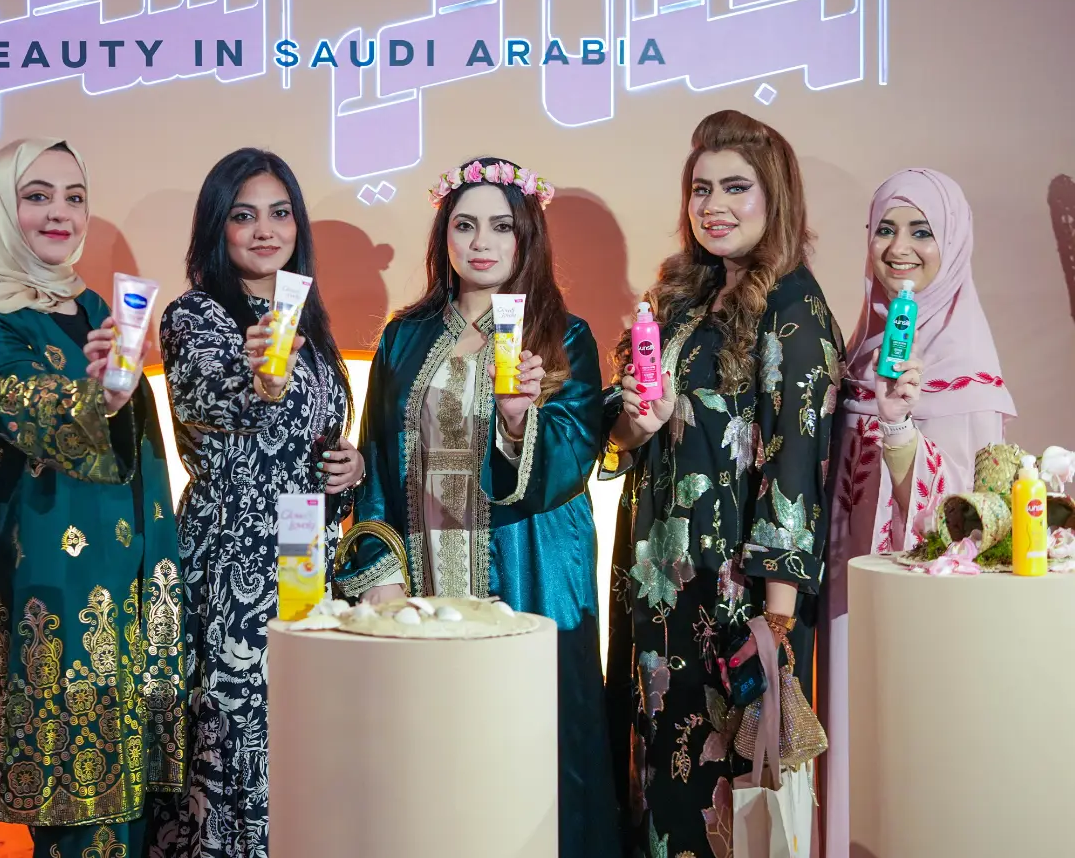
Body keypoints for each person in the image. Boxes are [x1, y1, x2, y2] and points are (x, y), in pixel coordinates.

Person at [337, 156, 619, 858]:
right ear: (445, 237)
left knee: (535, 753)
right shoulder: (404, 337)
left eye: (501, 226)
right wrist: (381, 577)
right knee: (433, 766)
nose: (481, 242)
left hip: (530, 576)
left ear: (527, 238)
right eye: (465, 225)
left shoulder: (565, 336)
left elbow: (573, 459)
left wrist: (520, 422)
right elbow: (378, 460)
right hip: (424, 587)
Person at [0, 137, 185, 858]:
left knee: (138, 806)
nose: (59, 213)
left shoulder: (93, 306)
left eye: (74, 197)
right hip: (53, 585)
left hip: (133, 578)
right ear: (4, 209)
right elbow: (20, 404)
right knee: (77, 810)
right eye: (37, 196)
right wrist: (98, 396)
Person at [602, 110, 843, 857]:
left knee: (728, 801)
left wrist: (777, 630)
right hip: (660, 591)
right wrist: (635, 421)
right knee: (661, 789)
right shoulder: (682, 295)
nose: (714, 206)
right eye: (701, 188)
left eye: (736, 187)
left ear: (775, 196)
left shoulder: (795, 308)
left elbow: (795, 472)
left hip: (735, 603)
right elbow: (627, 432)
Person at [150, 148, 363, 858]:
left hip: (306, 551)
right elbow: (205, 398)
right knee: (235, 724)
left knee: (298, 722)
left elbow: (315, 430)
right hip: (233, 550)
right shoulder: (196, 315)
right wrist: (259, 383)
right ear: (218, 227)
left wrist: (350, 467)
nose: (265, 230)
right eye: (244, 216)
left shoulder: (309, 320)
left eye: (279, 213)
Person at [819, 167, 1015, 858]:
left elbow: (963, 525)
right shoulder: (864, 349)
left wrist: (900, 427)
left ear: (953, 244)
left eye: (922, 231)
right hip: (840, 596)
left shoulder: (967, 367)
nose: (899, 248)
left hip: (910, 607)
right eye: (885, 229)